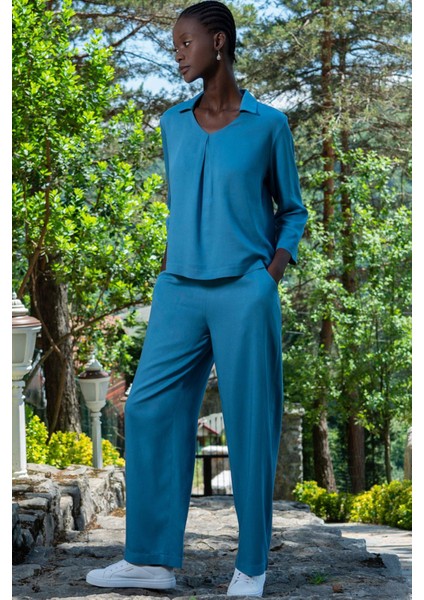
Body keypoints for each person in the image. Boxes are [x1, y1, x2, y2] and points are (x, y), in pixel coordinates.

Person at [86, 1, 308, 596]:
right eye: (173, 46)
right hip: (179, 288)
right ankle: (150, 560)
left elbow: (292, 210)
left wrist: (270, 274)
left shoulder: (268, 125)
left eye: (186, 43)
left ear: (219, 41)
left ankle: (251, 566)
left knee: (251, 424)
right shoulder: (173, 123)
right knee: (147, 408)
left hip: (244, 290)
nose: (178, 55)